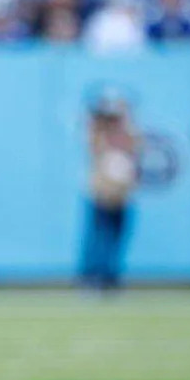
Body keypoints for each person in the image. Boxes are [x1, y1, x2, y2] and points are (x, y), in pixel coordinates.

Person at [80, 91, 139, 290]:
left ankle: (111, 276)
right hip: (102, 195)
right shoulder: (99, 134)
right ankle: (92, 276)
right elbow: (91, 136)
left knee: (116, 238)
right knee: (98, 238)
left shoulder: (127, 136)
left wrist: (124, 114)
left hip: (122, 196)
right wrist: (101, 116)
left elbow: (136, 144)